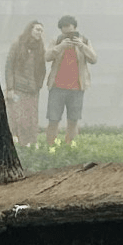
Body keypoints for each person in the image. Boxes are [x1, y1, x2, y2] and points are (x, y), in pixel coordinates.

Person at [42, 14, 98, 146]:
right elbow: (47, 56)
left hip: (77, 88)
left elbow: (94, 59)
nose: (67, 31)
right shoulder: (56, 41)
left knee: (73, 120)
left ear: (75, 28)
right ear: (60, 30)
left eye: (69, 28)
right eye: (63, 28)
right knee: (53, 119)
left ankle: (70, 147)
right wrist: (61, 46)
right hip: (57, 87)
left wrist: (82, 46)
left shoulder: (84, 41)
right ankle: (51, 147)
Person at [3, 20, 48, 144]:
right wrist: (10, 88)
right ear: (30, 30)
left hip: (32, 90)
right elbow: (9, 66)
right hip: (18, 88)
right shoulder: (18, 44)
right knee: (18, 117)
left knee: (31, 119)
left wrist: (38, 85)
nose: (40, 32)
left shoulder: (40, 47)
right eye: (37, 29)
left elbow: (42, 69)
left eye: (41, 30)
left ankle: (31, 145)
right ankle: (17, 144)